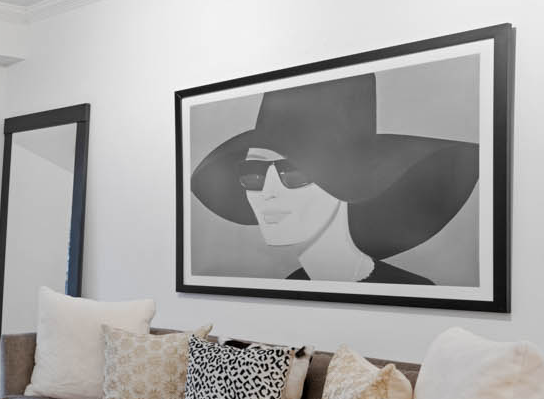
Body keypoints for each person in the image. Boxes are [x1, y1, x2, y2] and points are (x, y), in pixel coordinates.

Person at [190, 73, 477, 284]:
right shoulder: (294, 284)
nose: (268, 192)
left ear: (346, 181)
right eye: (253, 174)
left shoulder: (411, 289)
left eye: (294, 172)